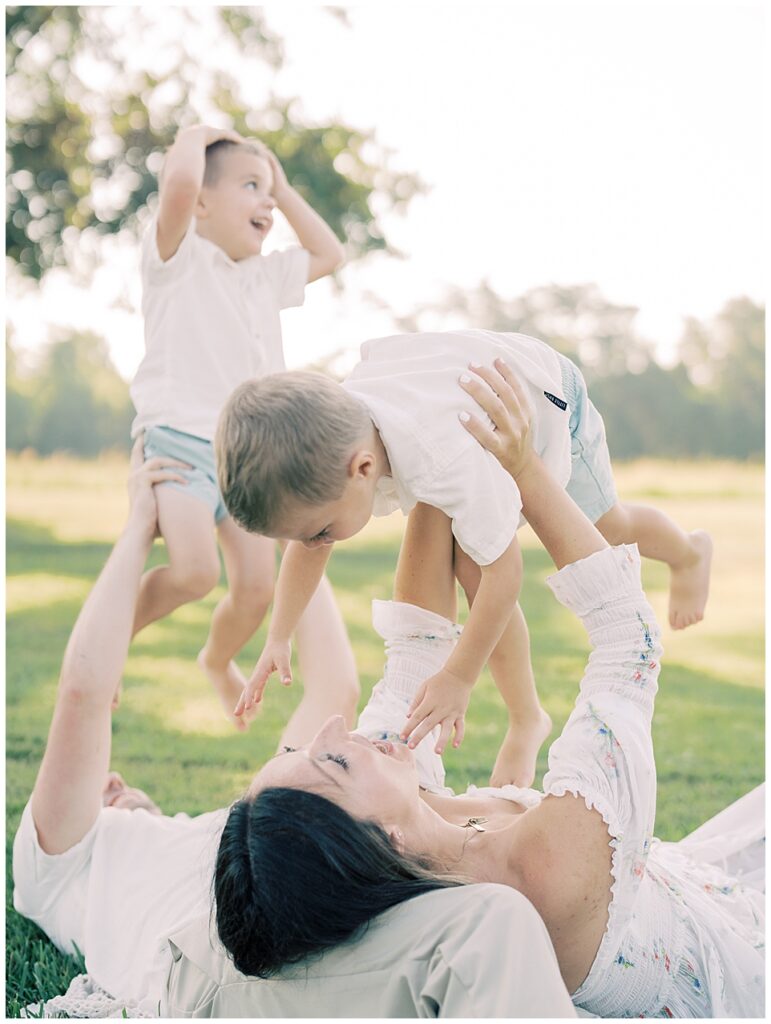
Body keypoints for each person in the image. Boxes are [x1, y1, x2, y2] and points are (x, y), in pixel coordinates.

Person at [215, 360, 763, 1018]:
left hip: (701, 885)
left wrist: (425, 451)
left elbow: (417, 647)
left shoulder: (402, 827)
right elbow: (630, 640)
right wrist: (526, 468)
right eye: (328, 761)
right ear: (375, 844)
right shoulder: (545, 873)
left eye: (295, 749)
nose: (336, 729)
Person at [11, 436, 574, 1019]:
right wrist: (138, 527)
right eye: (100, 790)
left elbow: (333, 691)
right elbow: (83, 692)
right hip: (227, 977)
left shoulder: (260, 819)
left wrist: (298, 524)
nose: (112, 783)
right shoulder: (52, 868)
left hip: (316, 918)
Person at [216, 329, 713, 784]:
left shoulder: (446, 461)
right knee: (469, 561)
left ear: (363, 468)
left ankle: (687, 553)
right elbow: (307, 550)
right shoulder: (344, 429)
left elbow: (506, 575)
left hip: (550, 411)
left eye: (323, 531)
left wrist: (458, 676)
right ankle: (528, 717)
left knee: (607, 529)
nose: (319, 543)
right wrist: (279, 633)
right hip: (467, 416)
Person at [129, 123, 356, 729]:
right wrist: (194, 137)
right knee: (195, 571)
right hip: (177, 443)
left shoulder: (263, 275)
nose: (266, 203)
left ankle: (215, 658)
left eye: (268, 192)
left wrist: (278, 185)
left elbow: (330, 253)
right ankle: (108, 645)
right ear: (201, 203)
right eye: (249, 187)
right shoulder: (177, 257)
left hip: (245, 454)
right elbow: (178, 182)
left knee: (258, 590)